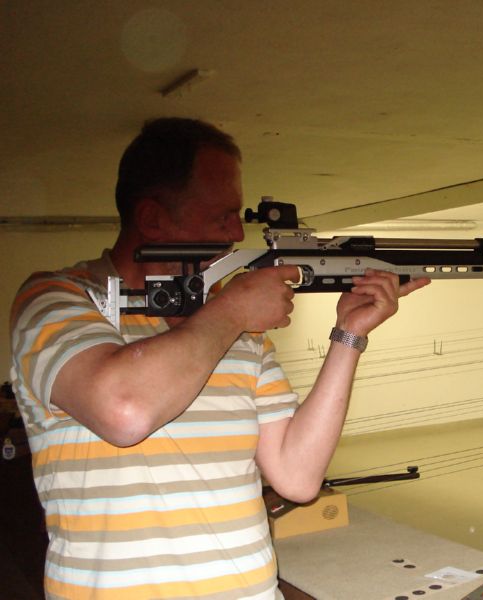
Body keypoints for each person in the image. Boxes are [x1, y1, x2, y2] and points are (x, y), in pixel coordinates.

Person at [9, 117, 429, 599]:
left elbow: (297, 477)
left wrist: (348, 335)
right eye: (221, 216)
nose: (236, 232)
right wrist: (233, 310)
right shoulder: (55, 299)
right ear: (152, 219)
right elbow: (124, 411)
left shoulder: (236, 330)